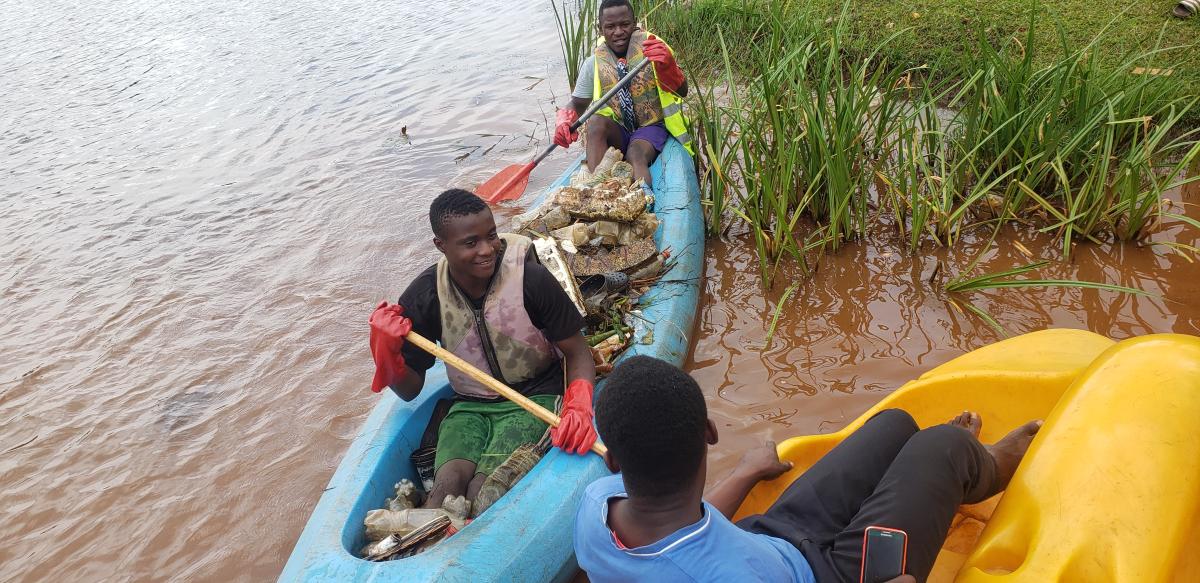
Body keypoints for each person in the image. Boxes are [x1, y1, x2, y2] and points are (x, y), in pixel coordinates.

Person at [575, 356, 1042, 582]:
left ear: (613, 461)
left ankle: (940, 462)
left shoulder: (595, 509)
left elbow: (680, 521)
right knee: (941, 447)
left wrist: (746, 472)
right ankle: (985, 467)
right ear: (709, 434)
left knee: (895, 425)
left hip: (770, 537)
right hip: (836, 576)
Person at [369, 188, 597, 509]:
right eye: (470, 243)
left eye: (491, 236)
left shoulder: (530, 280)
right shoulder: (426, 295)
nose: (487, 249)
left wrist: (579, 405)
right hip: (469, 406)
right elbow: (409, 390)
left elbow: (577, 352)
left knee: (482, 493)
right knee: (442, 492)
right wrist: (385, 352)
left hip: (535, 399)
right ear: (441, 246)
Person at [552, 0, 694, 196]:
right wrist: (565, 119)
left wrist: (668, 67)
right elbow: (577, 103)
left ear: (634, 23)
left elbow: (683, 91)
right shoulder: (592, 64)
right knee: (595, 123)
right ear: (600, 29)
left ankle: (644, 198)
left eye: (624, 24)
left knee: (634, 154)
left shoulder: (654, 51)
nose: (618, 31)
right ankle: (596, 191)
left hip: (651, 127)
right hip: (619, 128)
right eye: (610, 26)